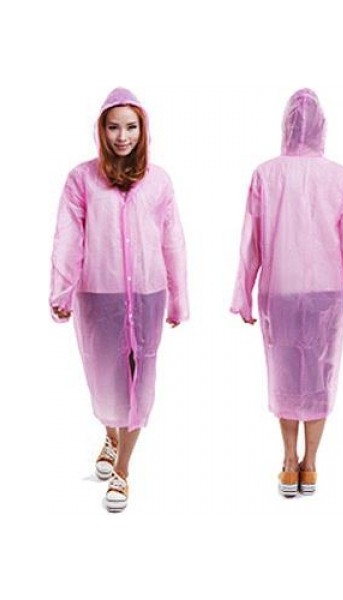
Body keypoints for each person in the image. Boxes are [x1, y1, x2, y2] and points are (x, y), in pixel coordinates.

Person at [230, 88, 343, 498]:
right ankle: (310, 464)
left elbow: (251, 242)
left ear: (286, 125)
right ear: (322, 127)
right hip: (326, 293)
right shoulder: (339, 177)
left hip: (279, 290)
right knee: (318, 378)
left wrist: (243, 293)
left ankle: (289, 459)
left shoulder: (267, 174)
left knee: (284, 377)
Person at [50, 87, 189, 512]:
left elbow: (172, 241)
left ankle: (123, 470)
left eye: (131, 127)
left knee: (139, 379)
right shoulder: (81, 179)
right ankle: (110, 437)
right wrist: (62, 289)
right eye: (114, 127)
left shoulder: (159, 180)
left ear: (143, 130)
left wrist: (179, 298)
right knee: (106, 380)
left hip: (148, 294)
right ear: (102, 130)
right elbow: (69, 237)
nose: (122, 136)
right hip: (100, 294)